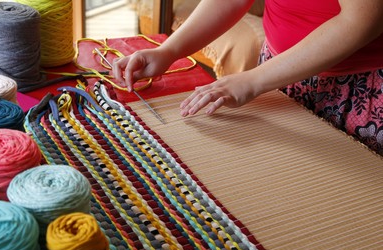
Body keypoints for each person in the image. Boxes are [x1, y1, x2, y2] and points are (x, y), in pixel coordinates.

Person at [112, 0, 383, 155]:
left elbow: (361, 21)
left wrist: (252, 81)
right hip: (278, 73)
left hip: (361, 93)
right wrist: (169, 50)